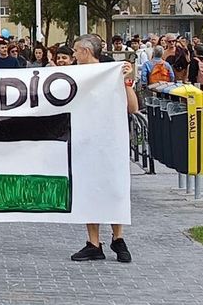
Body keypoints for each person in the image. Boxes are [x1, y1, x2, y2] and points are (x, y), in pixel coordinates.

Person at [70, 34, 137, 263]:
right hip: (85, 140)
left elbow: (133, 106)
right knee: (88, 189)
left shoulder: (112, 73)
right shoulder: (75, 75)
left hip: (110, 140)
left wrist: (126, 82)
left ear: (86, 51)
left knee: (114, 186)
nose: (73, 55)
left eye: (76, 51)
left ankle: (118, 238)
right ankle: (94, 242)